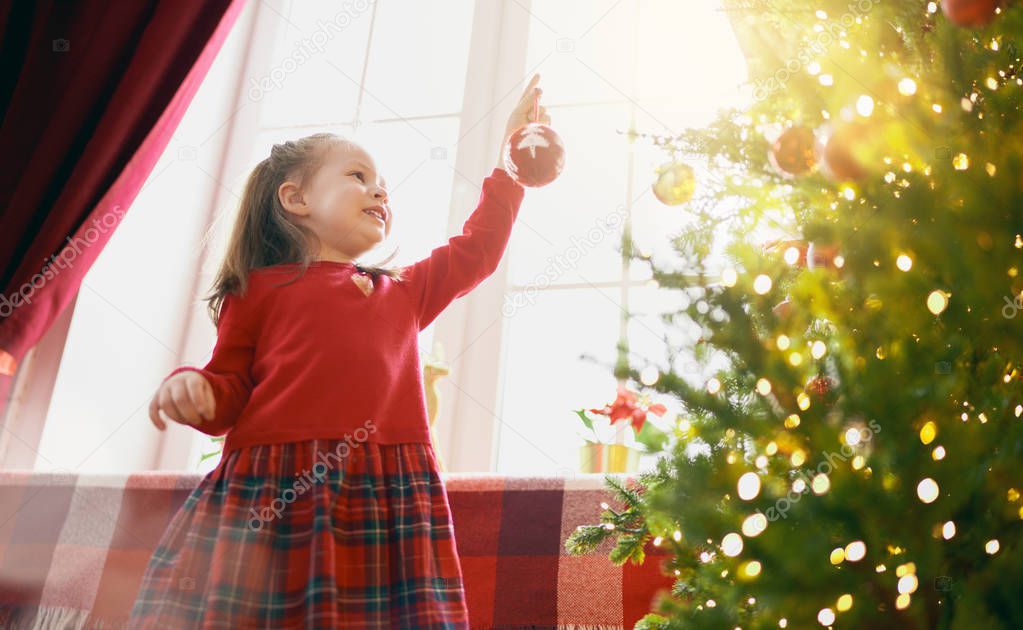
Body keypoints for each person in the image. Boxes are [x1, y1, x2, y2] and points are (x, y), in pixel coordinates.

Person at [129, 74, 549, 628]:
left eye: (384, 186)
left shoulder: (403, 290)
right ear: (296, 198)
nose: (380, 192)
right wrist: (195, 386)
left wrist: (510, 169)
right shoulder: (256, 291)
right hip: (271, 492)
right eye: (359, 176)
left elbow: (478, 250)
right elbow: (226, 390)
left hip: (386, 495)